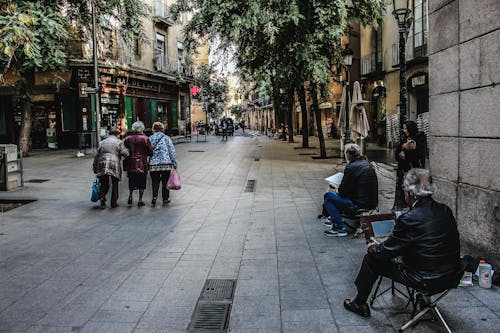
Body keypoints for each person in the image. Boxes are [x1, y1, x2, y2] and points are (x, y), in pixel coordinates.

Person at [344, 169, 462, 318]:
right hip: (453, 274)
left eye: (405, 189)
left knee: (371, 259)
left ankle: (359, 303)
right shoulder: (445, 210)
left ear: (410, 193)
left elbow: (385, 252)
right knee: (422, 255)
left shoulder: (410, 218)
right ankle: (424, 299)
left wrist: (373, 248)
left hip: (426, 279)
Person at [323, 143, 378, 237]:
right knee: (334, 196)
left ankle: (339, 227)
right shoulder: (367, 164)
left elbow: (343, 191)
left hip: (359, 203)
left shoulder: (351, 167)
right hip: (372, 202)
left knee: (328, 196)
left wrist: (336, 189)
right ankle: (335, 219)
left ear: (348, 155)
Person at [393, 120, 427, 210]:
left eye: (405, 128)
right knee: (403, 194)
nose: (404, 130)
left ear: (410, 129)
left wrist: (407, 153)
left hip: (414, 172)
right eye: (404, 128)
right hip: (403, 171)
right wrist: (402, 149)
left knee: (413, 194)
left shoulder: (419, 139)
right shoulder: (404, 139)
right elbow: (397, 154)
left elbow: (419, 154)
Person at [93, 128, 129, 208]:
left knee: (104, 182)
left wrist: (95, 167)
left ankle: (102, 197)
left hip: (102, 162)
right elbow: (125, 153)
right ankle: (113, 202)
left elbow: (96, 155)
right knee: (114, 183)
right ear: (117, 134)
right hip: (114, 163)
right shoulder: (119, 142)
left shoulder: (102, 142)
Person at [124, 121, 153, 207]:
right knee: (142, 181)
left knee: (131, 180)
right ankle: (140, 200)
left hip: (131, 162)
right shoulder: (145, 138)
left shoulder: (128, 138)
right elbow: (150, 151)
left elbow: (124, 149)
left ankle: (130, 195)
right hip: (142, 163)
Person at [148, 122, 177, 207]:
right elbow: (172, 151)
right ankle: (165, 198)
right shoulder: (167, 138)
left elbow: (148, 151)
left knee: (155, 182)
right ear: (162, 129)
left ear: (153, 129)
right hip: (166, 163)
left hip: (154, 164)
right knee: (165, 182)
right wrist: (174, 163)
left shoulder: (150, 138)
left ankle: (154, 197)